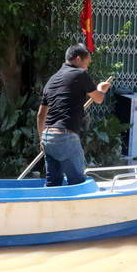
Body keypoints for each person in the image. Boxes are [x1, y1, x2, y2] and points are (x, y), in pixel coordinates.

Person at [37, 44, 111, 187]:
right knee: (77, 183)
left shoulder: (51, 80)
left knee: (52, 183)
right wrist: (101, 88)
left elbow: (41, 115)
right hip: (65, 136)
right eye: (87, 63)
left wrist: (41, 139)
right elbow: (98, 99)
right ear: (78, 59)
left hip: (47, 136)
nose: (87, 68)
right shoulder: (80, 74)